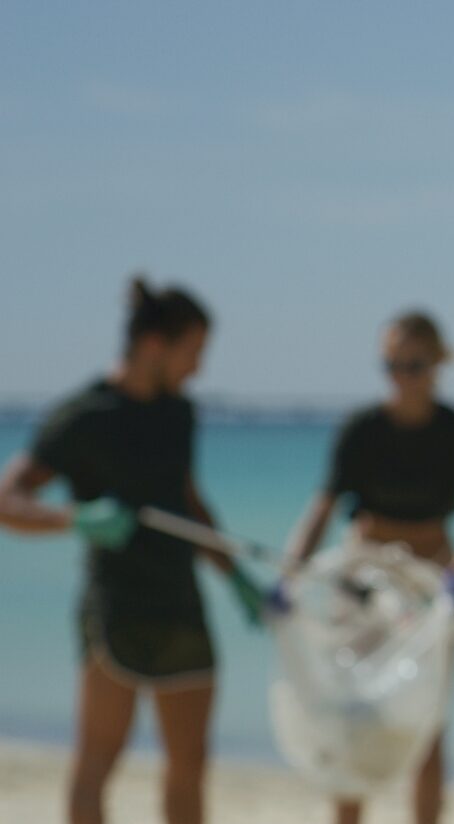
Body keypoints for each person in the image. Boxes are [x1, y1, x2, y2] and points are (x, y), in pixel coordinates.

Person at [0, 278, 267, 824]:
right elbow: (7, 500)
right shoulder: (85, 416)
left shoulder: (179, 414)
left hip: (181, 607)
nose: (199, 368)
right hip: (115, 608)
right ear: (154, 346)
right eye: (194, 353)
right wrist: (75, 518)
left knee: (190, 763)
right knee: (99, 761)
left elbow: (191, 505)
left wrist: (234, 576)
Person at [279, 310, 454, 824]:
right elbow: (321, 512)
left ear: (438, 364)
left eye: (413, 365)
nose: (401, 377)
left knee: (428, 722)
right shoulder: (361, 430)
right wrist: (289, 577)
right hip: (361, 583)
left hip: (429, 588)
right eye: (390, 365)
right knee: (352, 712)